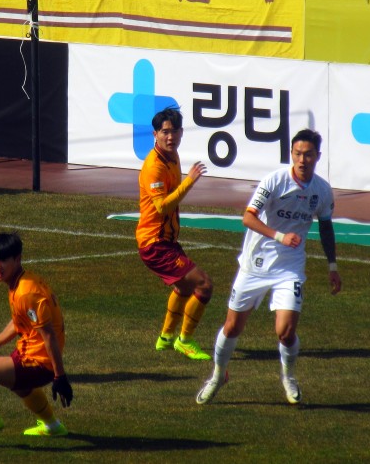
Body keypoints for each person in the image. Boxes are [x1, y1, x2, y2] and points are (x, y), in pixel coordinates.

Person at [195, 129, 342, 406]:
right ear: (291, 155)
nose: (302, 160)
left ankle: (288, 376)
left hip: (290, 267)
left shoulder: (321, 191)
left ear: (317, 157)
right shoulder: (274, 181)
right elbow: (247, 219)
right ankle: (218, 374)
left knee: (285, 332)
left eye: (308, 154)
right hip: (255, 265)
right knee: (232, 327)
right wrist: (279, 236)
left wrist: (332, 266)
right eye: (298, 154)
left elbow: (325, 227)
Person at [0, 232, 72, 441]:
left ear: (17, 259)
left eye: (3, 260)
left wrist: (60, 377)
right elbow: (19, 322)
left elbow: (49, 336)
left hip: (40, 363)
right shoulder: (21, 282)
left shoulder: (27, 292)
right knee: (20, 386)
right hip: (30, 354)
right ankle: (52, 425)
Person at [138, 106, 213, 361]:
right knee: (203, 285)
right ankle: (185, 340)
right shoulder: (154, 167)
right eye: (165, 132)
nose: (171, 137)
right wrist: (189, 181)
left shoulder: (173, 155)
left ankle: (166, 338)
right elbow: (162, 206)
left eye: (175, 132)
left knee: (182, 287)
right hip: (155, 243)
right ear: (155, 134)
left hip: (166, 241)